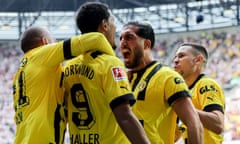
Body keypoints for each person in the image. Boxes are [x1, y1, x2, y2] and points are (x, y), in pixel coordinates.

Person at [12, 26, 119, 144]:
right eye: (55, 41)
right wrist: (114, 62)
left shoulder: (21, 72)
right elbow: (96, 39)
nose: (57, 44)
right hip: (41, 139)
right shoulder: (41, 54)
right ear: (45, 41)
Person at [63, 2, 150, 144]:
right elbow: (124, 116)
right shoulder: (110, 63)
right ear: (104, 25)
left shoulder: (68, 67)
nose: (115, 28)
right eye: (113, 21)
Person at [119, 21, 204, 144]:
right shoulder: (122, 79)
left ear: (146, 44)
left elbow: (194, 124)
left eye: (129, 37)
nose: (122, 43)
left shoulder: (167, 77)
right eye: (121, 38)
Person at [173, 42, 225, 144]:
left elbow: (218, 124)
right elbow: (176, 135)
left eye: (181, 56)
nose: (175, 61)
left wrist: (183, 109)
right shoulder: (183, 91)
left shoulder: (206, 84)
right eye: (175, 57)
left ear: (198, 60)